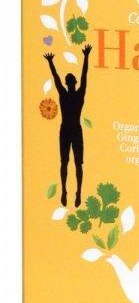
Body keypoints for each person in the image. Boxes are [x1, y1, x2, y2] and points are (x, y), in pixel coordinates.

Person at [44, 45, 92, 207]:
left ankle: (76, 192)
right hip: (70, 130)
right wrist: (86, 56)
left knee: (73, 163)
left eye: (69, 82)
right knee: (67, 163)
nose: (70, 83)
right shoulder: (74, 94)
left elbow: (60, 78)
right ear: (72, 83)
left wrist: (51, 62)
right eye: (70, 81)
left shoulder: (69, 94)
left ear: (68, 83)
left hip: (70, 130)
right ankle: (66, 191)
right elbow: (82, 76)